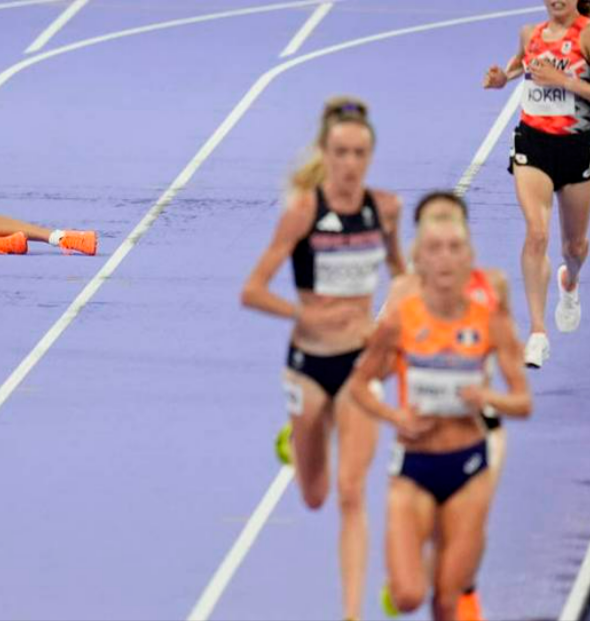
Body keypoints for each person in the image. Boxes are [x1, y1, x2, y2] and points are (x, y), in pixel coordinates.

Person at [241, 96, 404, 620]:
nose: (351, 163)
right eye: (342, 152)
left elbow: (403, 276)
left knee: (351, 493)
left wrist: (392, 325)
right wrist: (304, 314)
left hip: (359, 367)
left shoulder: (386, 209)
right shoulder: (302, 212)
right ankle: (298, 437)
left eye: (360, 153)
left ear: (370, 155)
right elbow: (253, 290)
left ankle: (351, 613)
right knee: (314, 495)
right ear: (326, 153)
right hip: (310, 365)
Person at [348, 213, 531, 621]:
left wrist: (485, 394)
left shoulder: (490, 310)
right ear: (420, 257)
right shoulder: (401, 314)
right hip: (415, 459)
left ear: (469, 256)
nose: (445, 258)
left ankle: (459, 586)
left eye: (454, 248)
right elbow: (362, 380)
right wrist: (395, 415)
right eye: (434, 248)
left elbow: (521, 397)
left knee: (449, 593)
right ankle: (413, 565)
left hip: (471, 454)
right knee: (410, 592)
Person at [384, 192, 515, 621]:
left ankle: (464, 593)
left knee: (466, 527)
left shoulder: (492, 286)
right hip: (423, 436)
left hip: (481, 428)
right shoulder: (404, 293)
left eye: (450, 219)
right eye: (433, 222)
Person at [482, 0, 590, 367]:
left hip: (576, 148)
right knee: (536, 233)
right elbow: (521, 65)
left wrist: (564, 81)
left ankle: (570, 281)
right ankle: (537, 333)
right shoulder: (530, 33)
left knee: (574, 246)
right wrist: (502, 78)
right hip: (533, 144)